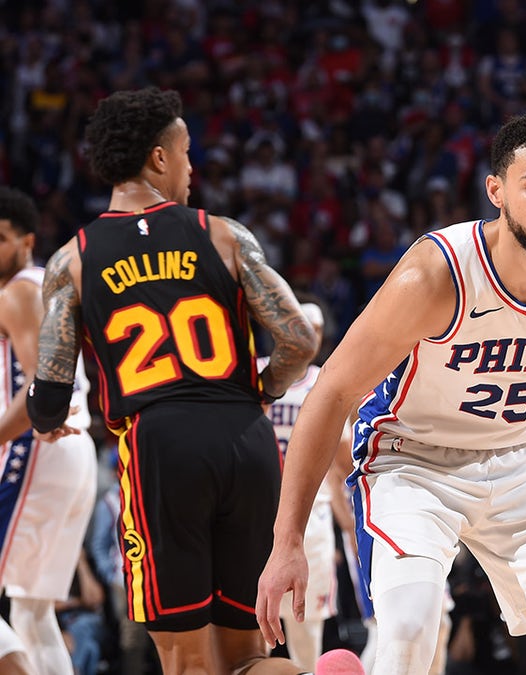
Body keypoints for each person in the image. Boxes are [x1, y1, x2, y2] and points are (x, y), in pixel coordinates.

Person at [256, 110, 526, 675]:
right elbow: (332, 392)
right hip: (413, 464)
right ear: (497, 191)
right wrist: (287, 539)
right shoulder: (437, 274)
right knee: (409, 631)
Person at [26, 87, 322, 675]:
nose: (194, 166)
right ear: (160, 159)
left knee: (187, 663)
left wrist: (48, 419)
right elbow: (299, 340)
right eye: (188, 152)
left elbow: (51, 391)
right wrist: (261, 391)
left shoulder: (73, 262)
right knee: (248, 655)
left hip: (160, 448)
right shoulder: (223, 234)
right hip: (246, 439)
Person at [0, 187, 97, 675]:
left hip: (37, 445)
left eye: (0, 238)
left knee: (28, 610)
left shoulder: (17, 289)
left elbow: (42, 378)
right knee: (32, 611)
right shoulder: (49, 286)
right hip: (73, 449)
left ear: (26, 241)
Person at [261, 300, 352, 671]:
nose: (305, 336)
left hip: (310, 518)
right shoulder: (255, 375)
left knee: (305, 631)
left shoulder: (324, 383)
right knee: (253, 631)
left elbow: (343, 461)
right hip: (257, 513)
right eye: (298, 327)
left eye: (313, 331)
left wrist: (347, 521)